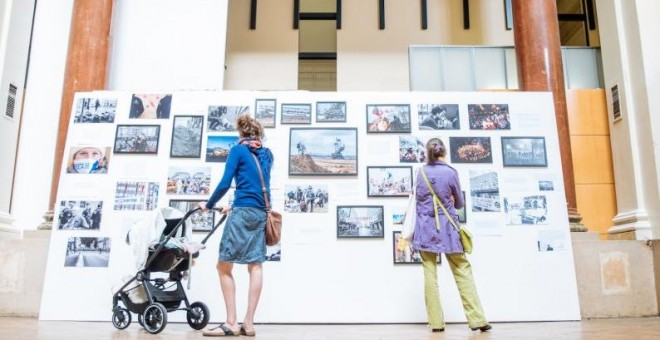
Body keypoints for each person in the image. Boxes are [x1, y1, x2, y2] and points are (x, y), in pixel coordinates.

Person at [198, 115, 273, 337]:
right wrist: (234, 205)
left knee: (223, 266)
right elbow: (256, 184)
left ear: (241, 133)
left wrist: (209, 204)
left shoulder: (238, 150)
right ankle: (248, 324)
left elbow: (225, 183)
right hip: (261, 212)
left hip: (243, 212)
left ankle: (231, 323)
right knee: (255, 266)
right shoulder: (267, 154)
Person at [412, 137, 491, 333]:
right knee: (462, 270)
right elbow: (459, 204)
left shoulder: (420, 172)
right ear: (444, 152)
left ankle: (436, 323)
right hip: (448, 229)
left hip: (425, 229)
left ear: (427, 153)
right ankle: (478, 320)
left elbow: (420, 200)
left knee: (429, 275)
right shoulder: (450, 172)